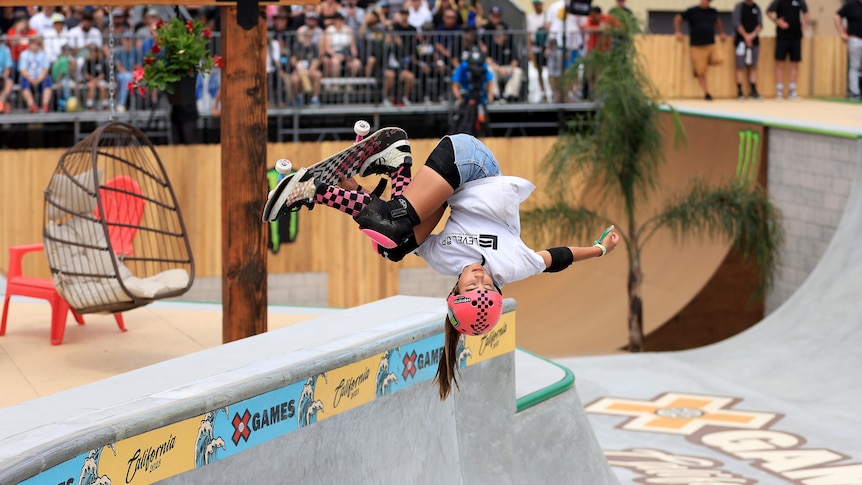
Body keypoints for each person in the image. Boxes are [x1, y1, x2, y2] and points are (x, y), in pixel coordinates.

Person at [264, 132, 620, 399]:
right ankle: (315, 190)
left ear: (456, 290)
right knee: (394, 224)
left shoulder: (442, 259)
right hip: (474, 164)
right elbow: (558, 259)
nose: (479, 277)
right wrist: (599, 249)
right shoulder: (514, 265)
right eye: (487, 286)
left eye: (471, 287)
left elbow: (396, 242)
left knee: (392, 246)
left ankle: (395, 164)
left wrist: (355, 188)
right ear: (498, 288)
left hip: (450, 189)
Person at [674, 0, 726, 101]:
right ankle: (707, 93)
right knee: (701, 72)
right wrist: (678, 32)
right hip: (696, 46)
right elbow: (678, 18)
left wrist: (722, 33)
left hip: (711, 44)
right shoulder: (692, 11)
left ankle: (699, 67)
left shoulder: (712, 11)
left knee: (720, 59)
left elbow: (718, 21)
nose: (704, 2)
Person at [766, 0, 808, 100]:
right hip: (782, 36)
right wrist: (777, 21)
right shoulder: (778, 1)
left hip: (796, 36)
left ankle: (792, 90)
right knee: (780, 63)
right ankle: (779, 91)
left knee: (795, 63)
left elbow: (806, 12)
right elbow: (768, 12)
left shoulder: (799, 1)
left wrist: (804, 24)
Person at [451, 45, 494, 136]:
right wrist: (460, 98)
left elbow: (490, 82)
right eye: (472, 65)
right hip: (466, 98)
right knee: (462, 123)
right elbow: (455, 85)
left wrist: (490, 95)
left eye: (477, 65)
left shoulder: (483, 67)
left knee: (482, 122)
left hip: (480, 98)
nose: (475, 67)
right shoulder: (463, 67)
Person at [733, 0, 762, 100]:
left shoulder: (756, 7)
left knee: (753, 66)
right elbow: (736, 23)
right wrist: (745, 36)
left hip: (754, 42)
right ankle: (740, 91)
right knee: (740, 66)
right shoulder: (739, 6)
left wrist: (752, 36)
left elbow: (760, 25)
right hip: (741, 41)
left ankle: (753, 91)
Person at [834, 0, 862, 100]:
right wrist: (841, 32)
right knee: (854, 66)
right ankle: (855, 93)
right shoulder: (851, 5)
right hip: (855, 39)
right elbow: (837, 16)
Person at [18, 36, 52, 112]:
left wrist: (39, 79)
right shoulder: (24, 54)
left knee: (47, 80)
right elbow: (23, 70)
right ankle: (32, 106)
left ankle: (45, 105)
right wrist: (30, 79)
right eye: (32, 44)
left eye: (36, 44)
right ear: (29, 44)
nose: (34, 46)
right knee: (24, 81)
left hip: (40, 78)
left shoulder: (43, 54)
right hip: (29, 78)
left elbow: (46, 69)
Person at [526, 0, 550, 103]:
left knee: (550, 71)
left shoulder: (547, 16)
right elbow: (529, 35)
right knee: (539, 70)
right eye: (535, 4)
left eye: (539, 4)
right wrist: (530, 50)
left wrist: (549, 47)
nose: (537, 6)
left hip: (547, 47)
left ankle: (550, 92)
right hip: (536, 47)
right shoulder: (530, 18)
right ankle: (543, 92)